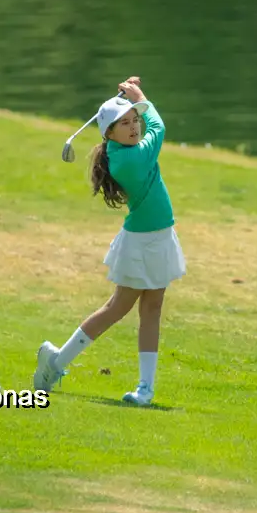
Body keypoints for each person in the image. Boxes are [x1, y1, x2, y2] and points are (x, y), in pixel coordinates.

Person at [33, 77, 185, 406]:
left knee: (152, 308)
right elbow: (159, 127)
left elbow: (150, 126)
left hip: (160, 236)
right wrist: (141, 97)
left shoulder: (126, 150)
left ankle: (145, 389)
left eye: (134, 120)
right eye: (124, 124)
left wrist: (135, 101)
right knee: (118, 308)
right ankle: (55, 363)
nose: (134, 127)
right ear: (110, 133)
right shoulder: (131, 159)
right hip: (141, 243)